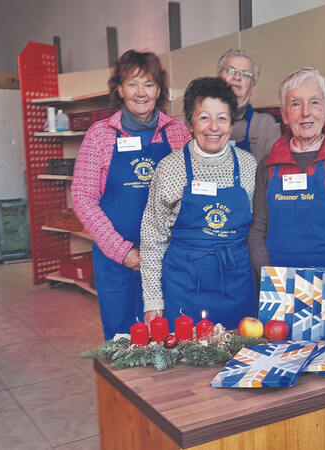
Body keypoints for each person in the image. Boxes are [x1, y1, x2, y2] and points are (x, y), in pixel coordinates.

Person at [72, 50, 191, 340]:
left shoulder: (177, 133)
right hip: (118, 261)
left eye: (149, 84)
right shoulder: (100, 135)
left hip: (167, 258)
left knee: (171, 339)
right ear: (120, 89)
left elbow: (190, 194)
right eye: (133, 84)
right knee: (124, 340)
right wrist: (122, 251)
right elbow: (83, 198)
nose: (141, 93)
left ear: (159, 90)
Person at [140, 77, 258, 330]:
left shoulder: (249, 166)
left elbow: (259, 233)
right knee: (185, 366)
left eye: (222, 118)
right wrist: (152, 302)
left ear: (232, 123)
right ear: (190, 123)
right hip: (184, 290)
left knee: (239, 362)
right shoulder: (170, 168)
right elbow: (152, 240)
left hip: (237, 287)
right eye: (204, 117)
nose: (213, 127)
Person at [249, 67, 325, 274]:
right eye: (295, 104)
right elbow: (258, 231)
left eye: (315, 102)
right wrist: (270, 279)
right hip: (277, 287)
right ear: (285, 115)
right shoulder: (267, 165)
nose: (306, 112)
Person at [217, 49, 281, 163]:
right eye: (231, 71)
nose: (237, 77)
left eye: (245, 74)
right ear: (218, 77)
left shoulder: (266, 125)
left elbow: (271, 171)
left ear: (252, 85)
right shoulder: (199, 121)